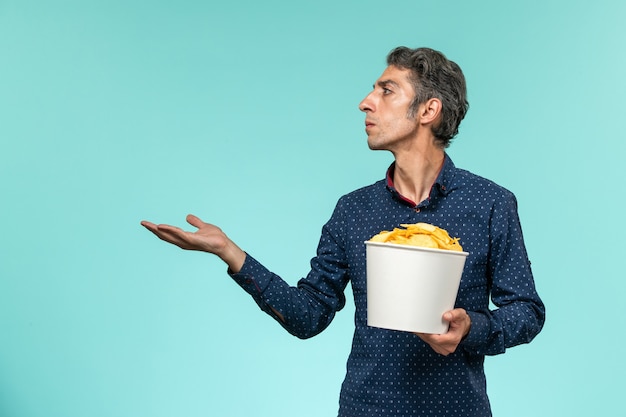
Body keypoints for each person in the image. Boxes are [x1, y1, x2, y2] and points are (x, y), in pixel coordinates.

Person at [141, 46, 545, 417]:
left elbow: (527, 310)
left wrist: (471, 328)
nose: (365, 103)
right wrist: (230, 252)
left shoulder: (490, 203)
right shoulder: (353, 211)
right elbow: (308, 316)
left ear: (428, 110)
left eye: (387, 91)